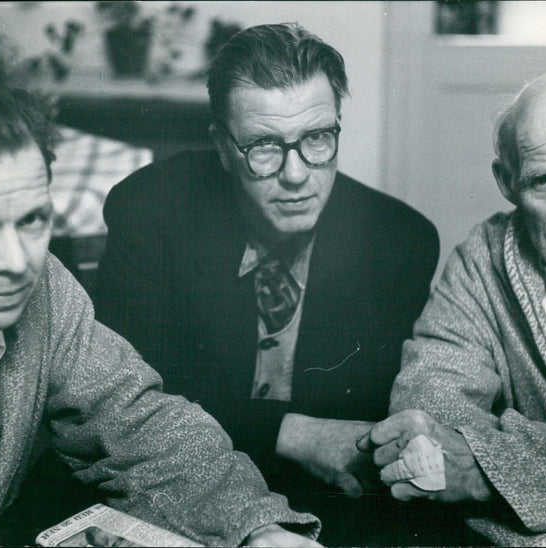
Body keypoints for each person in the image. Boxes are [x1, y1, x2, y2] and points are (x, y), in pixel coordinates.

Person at [0, 74, 322, 547]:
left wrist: (257, 528)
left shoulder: (45, 287)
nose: (16, 263)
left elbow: (137, 420)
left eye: (33, 219)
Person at [92, 23, 440, 545]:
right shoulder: (151, 209)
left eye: (317, 138)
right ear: (223, 147)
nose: (297, 175)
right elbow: (134, 402)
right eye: (263, 146)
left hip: (327, 512)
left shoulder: (399, 240)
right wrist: (299, 433)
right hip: (174, 488)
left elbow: (360, 433)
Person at [357, 68, 546, 546]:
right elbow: (429, 416)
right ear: (507, 182)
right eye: (543, 182)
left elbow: (462, 462)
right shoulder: (481, 260)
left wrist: (488, 472)